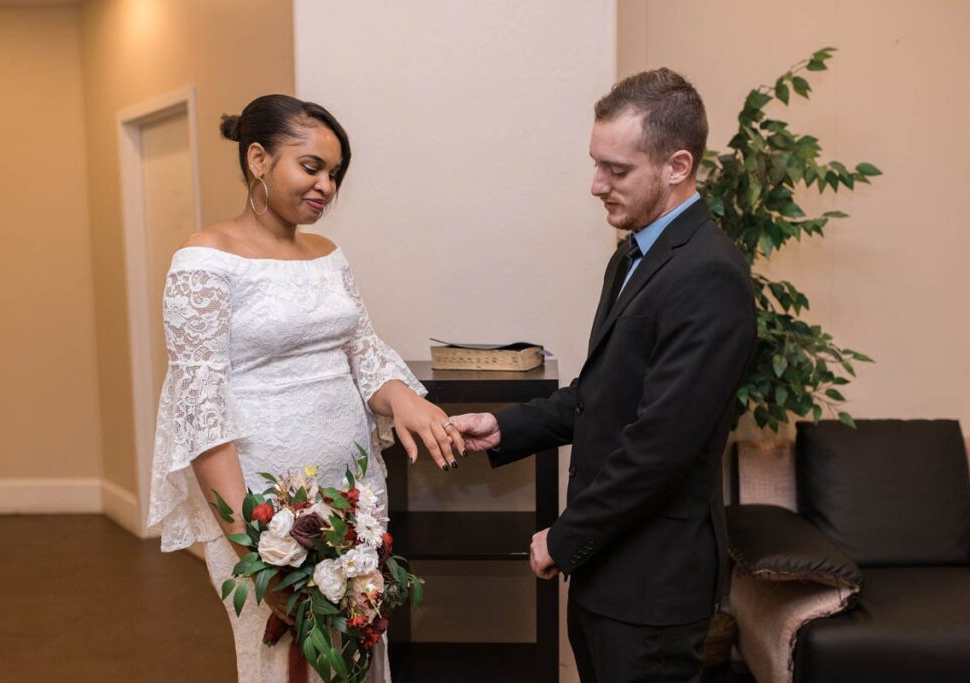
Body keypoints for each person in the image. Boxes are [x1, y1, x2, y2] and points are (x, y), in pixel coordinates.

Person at [448, 69, 756, 682]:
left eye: (616, 170)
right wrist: (503, 427)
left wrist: (563, 540)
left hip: (652, 586)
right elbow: (599, 397)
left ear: (677, 166)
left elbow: (658, 448)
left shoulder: (708, 275)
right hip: (610, 574)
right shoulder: (635, 253)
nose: (596, 185)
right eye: (597, 165)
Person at [146, 94, 464, 683]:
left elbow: (362, 351)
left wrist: (405, 398)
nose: (326, 186)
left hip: (354, 496)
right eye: (311, 167)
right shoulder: (204, 260)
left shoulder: (327, 254)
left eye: (335, 174)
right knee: (285, 660)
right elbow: (201, 413)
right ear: (259, 160)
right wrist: (252, 551)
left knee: (358, 650)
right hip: (264, 506)